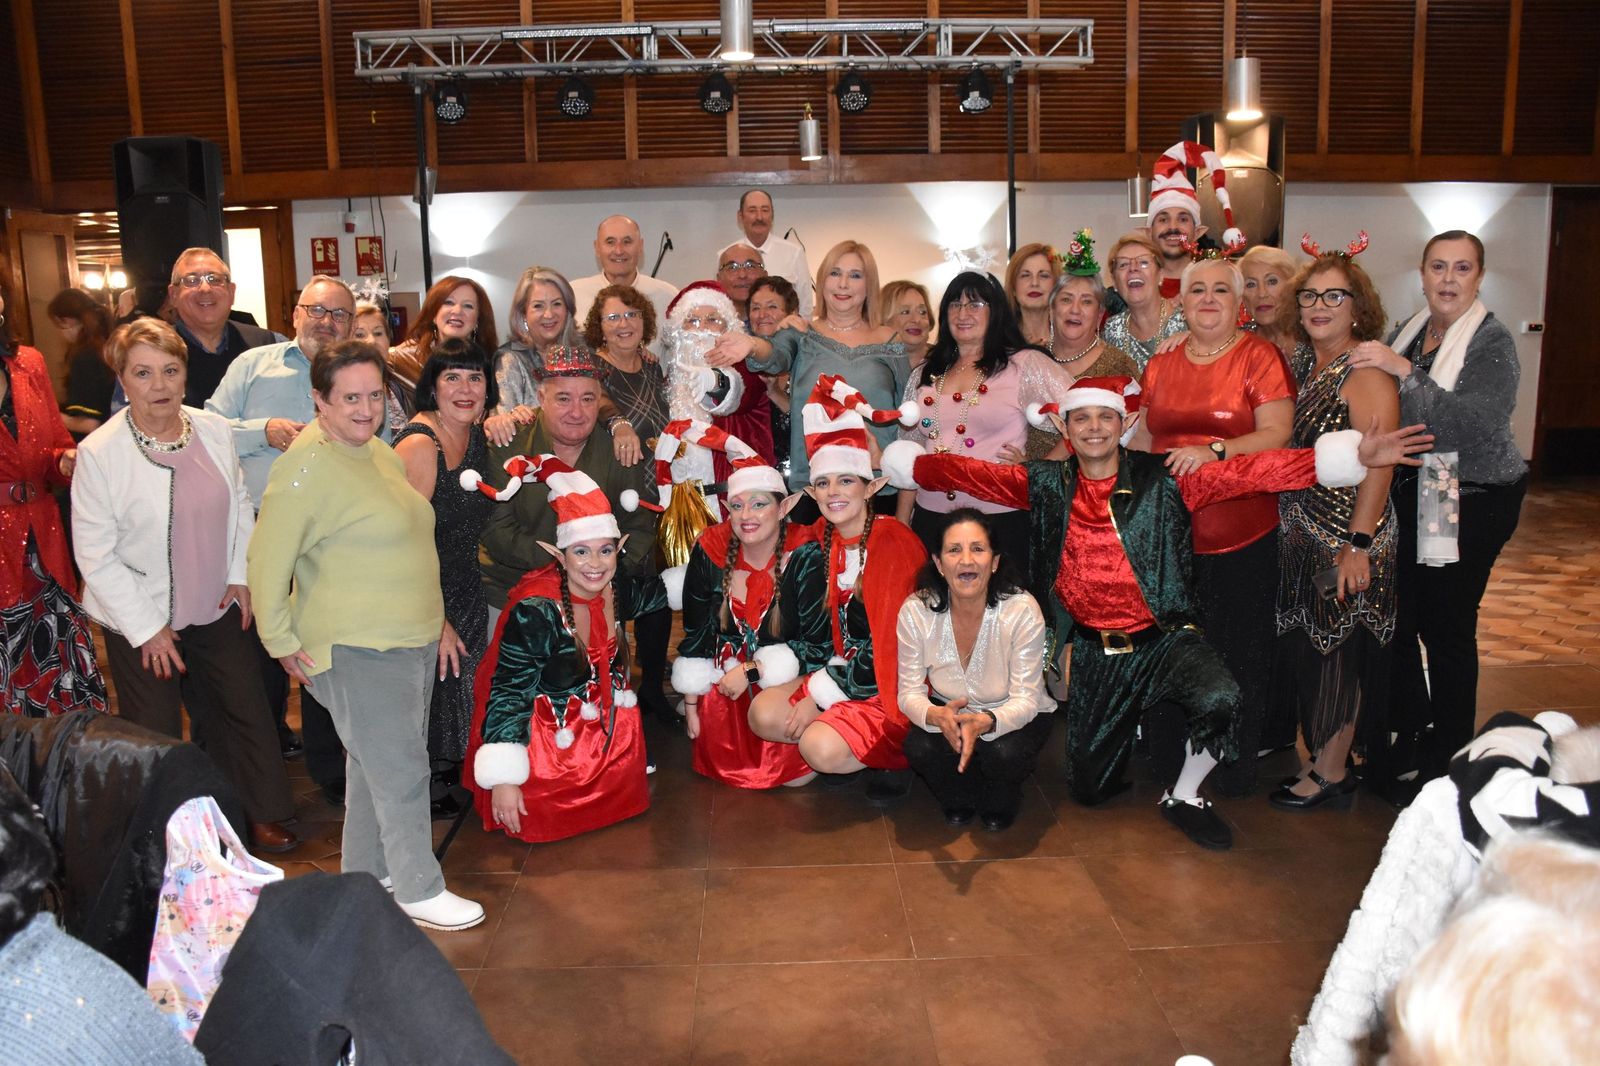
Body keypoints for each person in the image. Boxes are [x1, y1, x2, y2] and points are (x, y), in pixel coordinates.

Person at [882, 375, 1432, 848]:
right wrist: (915, 466)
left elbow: (1250, 473)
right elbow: (972, 475)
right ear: (1066, 430)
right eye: (1081, 419)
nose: (1094, 428)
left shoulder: (1165, 477)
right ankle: (1120, 751)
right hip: (1097, 649)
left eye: (1105, 417)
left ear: (1121, 424)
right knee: (1089, 790)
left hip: (1165, 637)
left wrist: (1350, 458)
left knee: (1222, 697)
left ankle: (1185, 794)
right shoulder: (1046, 482)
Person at [248, 339, 483, 931]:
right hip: (356, 645)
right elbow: (268, 559)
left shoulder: (374, 452)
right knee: (402, 768)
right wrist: (279, 641)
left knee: (371, 763)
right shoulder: (304, 468)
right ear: (319, 400)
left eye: (375, 395)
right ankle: (417, 887)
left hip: (404, 639)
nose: (365, 408)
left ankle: (366, 871)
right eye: (349, 397)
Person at [72, 318, 298, 853]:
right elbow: (96, 556)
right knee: (154, 730)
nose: (160, 386)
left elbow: (241, 505)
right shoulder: (101, 454)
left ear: (184, 373)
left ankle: (260, 812)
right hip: (140, 613)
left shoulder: (214, 430)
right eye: (143, 373)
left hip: (214, 599)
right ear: (122, 380)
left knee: (242, 708)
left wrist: (241, 573)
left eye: (170, 370)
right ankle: (169, 835)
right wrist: (149, 630)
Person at [1347, 230, 1529, 791]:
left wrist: (1404, 373)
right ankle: (1414, 729)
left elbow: (1470, 427)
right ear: (1422, 274)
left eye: (1462, 269)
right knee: (1403, 617)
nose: (1448, 279)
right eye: (1438, 268)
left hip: (1471, 494)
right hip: (1428, 490)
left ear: (1479, 277)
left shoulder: (1492, 342)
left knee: (1446, 628)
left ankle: (1450, 752)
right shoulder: (1412, 329)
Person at [1133, 257, 1297, 790]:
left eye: (1220, 290)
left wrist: (1215, 450)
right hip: (1168, 538)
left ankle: (1225, 767)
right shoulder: (1162, 361)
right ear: (1180, 302)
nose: (1207, 298)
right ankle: (1165, 760)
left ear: (1239, 302)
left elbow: (1277, 433)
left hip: (1241, 536)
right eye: (1196, 289)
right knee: (1169, 652)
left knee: (1234, 654)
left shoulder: (1259, 356)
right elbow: (1142, 434)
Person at [206, 274, 370, 789]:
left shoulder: (359, 373)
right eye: (315, 310)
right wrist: (265, 430)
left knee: (323, 648)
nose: (325, 321)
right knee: (260, 658)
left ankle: (330, 774)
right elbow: (205, 430)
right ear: (295, 314)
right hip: (258, 533)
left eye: (338, 313)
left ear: (352, 324)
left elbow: (380, 440)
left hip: (333, 541)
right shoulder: (253, 367)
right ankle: (263, 772)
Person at [746, 377, 926, 805]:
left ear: (872, 487)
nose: (833, 493)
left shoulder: (892, 542)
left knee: (818, 747)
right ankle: (841, 741)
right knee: (762, 713)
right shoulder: (816, 541)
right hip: (837, 672)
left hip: (887, 682)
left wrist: (814, 695)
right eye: (824, 483)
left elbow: (892, 650)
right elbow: (793, 624)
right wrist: (769, 672)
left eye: (847, 481)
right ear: (811, 491)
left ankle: (887, 756)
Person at [477, 346, 673, 734]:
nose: (576, 411)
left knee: (596, 699)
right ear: (540, 398)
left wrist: (603, 578)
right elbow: (496, 530)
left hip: (595, 593)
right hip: (516, 591)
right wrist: (562, 575)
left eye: (588, 399)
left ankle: (601, 760)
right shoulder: (510, 445)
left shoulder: (618, 452)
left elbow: (638, 526)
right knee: (514, 699)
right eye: (563, 398)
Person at [466, 457, 665, 842]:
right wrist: (506, 778)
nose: (595, 564)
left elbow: (660, 594)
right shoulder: (537, 609)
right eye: (581, 552)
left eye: (605, 551)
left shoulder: (616, 589)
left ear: (618, 550)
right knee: (540, 820)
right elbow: (509, 690)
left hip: (603, 731)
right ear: (559, 556)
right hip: (552, 736)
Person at [1271, 242, 1402, 811]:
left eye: (1334, 295)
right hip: (1304, 534)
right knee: (1313, 652)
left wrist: (1359, 544)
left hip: (1349, 535)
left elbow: (1382, 462)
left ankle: (1330, 772)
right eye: (1309, 295)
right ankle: (1324, 761)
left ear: (1357, 306)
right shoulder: (1305, 362)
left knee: (1339, 655)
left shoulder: (1366, 372)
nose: (1319, 305)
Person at [707, 239, 910, 521]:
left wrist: (905, 508)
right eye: (835, 273)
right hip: (814, 489)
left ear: (869, 285)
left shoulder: (891, 341)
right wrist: (752, 345)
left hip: (877, 488)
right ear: (823, 281)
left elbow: (906, 421)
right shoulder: (801, 332)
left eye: (855, 275)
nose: (843, 284)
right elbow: (774, 355)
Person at [895, 271, 1071, 585]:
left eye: (975, 304)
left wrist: (1037, 471)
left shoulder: (1024, 363)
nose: (963, 313)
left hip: (1000, 519)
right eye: (955, 304)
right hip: (931, 519)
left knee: (1003, 620)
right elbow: (911, 455)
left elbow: (1083, 416)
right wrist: (901, 525)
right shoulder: (926, 371)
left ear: (995, 311)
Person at [665, 421, 815, 789]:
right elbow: (697, 629)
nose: (747, 516)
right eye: (737, 506)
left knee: (797, 779)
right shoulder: (712, 549)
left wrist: (753, 669)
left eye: (759, 504)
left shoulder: (804, 555)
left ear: (784, 508)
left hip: (785, 677)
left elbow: (818, 644)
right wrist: (690, 704)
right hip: (724, 692)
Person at [896, 509, 1054, 831]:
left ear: (994, 562)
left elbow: (1027, 699)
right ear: (939, 564)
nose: (966, 560)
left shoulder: (1022, 609)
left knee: (1005, 755)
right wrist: (934, 715)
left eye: (978, 549)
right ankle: (959, 795)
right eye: (954, 550)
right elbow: (908, 692)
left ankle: (1001, 792)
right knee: (919, 745)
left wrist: (989, 721)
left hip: (1013, 714)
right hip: (949, 712)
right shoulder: (915, 610)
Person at [393, 338, 498, 820]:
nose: (464, 387)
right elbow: (403, 541)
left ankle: (450, 770)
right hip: (418, 585)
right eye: (451, 377)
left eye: (474, 377)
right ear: (432, 387)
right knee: (436, 677)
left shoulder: (476, 435)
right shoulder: (420, 443)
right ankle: (427, 780)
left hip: (463, 580)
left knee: (464, 679)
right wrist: (433, 618)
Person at [0, 290, 106, 718]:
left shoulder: (29, 363)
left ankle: (57, 769)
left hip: (42, 539)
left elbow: (53, 450)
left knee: (54, 669)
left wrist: (65, 461)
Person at [1026, 230, 1138, 459]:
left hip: (1094, 486)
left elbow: (1130, 440)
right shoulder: (1031, 360)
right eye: (1066, 299)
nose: (1074, 309)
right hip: (1027, 486)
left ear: (1099, 315)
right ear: (1052, 309)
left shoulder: (1119, 366)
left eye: (1086, 301)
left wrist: (1040, 471)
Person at [660, 280, 774, 482]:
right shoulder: (669, 381)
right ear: (679, 331)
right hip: (683, 501)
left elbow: (737, 392)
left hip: (736, 498)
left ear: (728, 329)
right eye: (692, 320)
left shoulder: (747, 368)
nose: (703, 328)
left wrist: (713, 382)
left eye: (713, 320)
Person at [1144, 140, 1245, 299]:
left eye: (1183, 219)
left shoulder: (1224, 282)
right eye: (1163, 220)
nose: (1173, 227)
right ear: (1149, 232)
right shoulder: (1135, 287)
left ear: (1198, 231)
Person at [580, 283, 671, 448]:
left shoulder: (652, 367)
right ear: (600, 327)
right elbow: (599, 401)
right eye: (613, 317)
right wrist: (619, 424)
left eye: (632, 314)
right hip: (618, 472)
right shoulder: (590, 367)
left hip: (662, 471)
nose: (624, 324)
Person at [568, 215, 680, 340]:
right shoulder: (573, 295)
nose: (619, 250)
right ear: (597, 248)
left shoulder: (669, 297)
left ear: (640, 246)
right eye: (610, 242)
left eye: (627, 242)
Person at [388, 276, 498, 395]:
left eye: (468, 305)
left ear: (478, 319)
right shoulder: (403, 358)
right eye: (449, 302)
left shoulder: (496, 363)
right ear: (434, 314)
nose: (457, 311)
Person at [1102, 231, 1186, 371]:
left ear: (1161, 275)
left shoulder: (1187, 321)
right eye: (1123, 265)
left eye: (1143, 262)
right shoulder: (1111, 329)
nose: (1133, 268)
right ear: (1115, 283)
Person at [47, 288, 115, 437]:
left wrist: (49, 416)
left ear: (66, 320)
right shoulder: (107, 346)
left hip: (98, 443)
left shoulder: (85, 357)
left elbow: (89, 424)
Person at [735, 188, 813, 317]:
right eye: (752, 210)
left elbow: (805, 307)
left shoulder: (794, 253)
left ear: (772, 215)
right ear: (740, 216)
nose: (759, 217)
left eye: (765, 210)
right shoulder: (726, 256)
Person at [748, 276, 799, 468]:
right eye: (755, 308)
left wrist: (776, 395)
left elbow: (816, 427)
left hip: (806, 478)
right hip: (758, 479)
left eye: (772, 307)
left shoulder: (809, 361)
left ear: (793, 313)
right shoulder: (742, 367)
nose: (762, 315)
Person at [353, 299, 412, 434]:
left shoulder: (397, 385)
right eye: (360, 335)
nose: (371, 341)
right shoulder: (341, 392)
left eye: (378, 333)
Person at [1239, 244, 1300, 355]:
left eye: (1272, 282)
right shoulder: (1237, 344)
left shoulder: (1313, 337)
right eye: (1251, 284)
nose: (1262, 294)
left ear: (1292, 286)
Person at [1004, 242, 1059, 350]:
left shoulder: (1069, 337)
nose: (1034, 283)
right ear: (1013, 287)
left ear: (1056, 285)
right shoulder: (999, 341)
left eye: (1044, 276)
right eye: (1025, 275)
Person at [878, 280, 933, 371]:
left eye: (923, 312)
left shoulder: (946, 362)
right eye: (905, 312)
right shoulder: (872, 365)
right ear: (884, 320)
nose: (917, 319)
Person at [716, 241, 767, 321]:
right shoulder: (709, 324)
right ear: (719, 279)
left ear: (765, 276)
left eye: (750, 266)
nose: (742, 275)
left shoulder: (780, 324)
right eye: (732, 267)